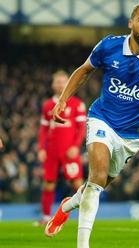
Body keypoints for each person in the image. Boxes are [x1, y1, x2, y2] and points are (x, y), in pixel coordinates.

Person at [43, 3, 139, 248]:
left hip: (131, 136)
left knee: (95, 187)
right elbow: (84, 70)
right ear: (131, 23)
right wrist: (63, 99)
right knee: (96, 178)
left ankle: (67, 206)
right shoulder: (109, 45)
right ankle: (83, 244)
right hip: (102, 118)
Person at [37, 70, 86, 225]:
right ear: (53, 85)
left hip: (69, 150)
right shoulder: (48, 105)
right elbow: (44, 129)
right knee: (48, 182)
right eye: (57, 82)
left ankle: (85, 216)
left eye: (63, 81)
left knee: (77, 182)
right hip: (52, 150)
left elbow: (82, 127)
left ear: (69, 83)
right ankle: (45, 217)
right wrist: (42, 148)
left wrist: (76, 146)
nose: (60, 84)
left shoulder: (77, 103)